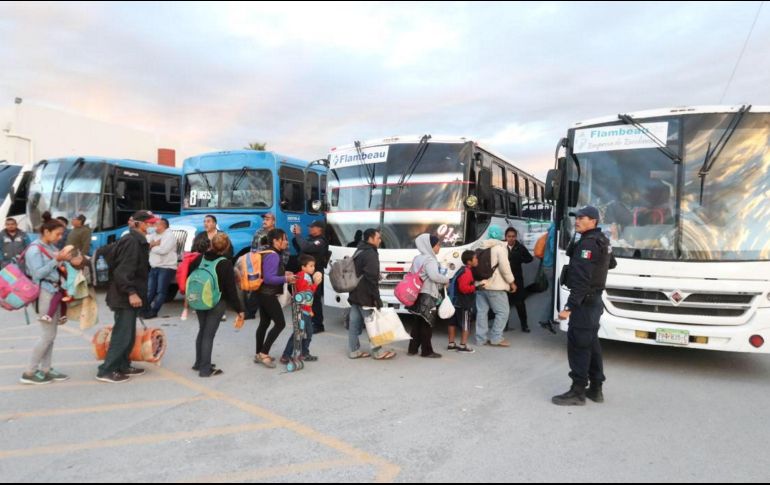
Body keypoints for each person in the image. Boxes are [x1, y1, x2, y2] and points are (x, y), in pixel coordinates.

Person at [552, 206, 617, 406]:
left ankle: (578, 391)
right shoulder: (602, 240)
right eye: (576, 217)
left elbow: (581, 280)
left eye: (582, 218)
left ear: (594, 221)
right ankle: (596, 388)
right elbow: (612, 264)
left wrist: (568, 308)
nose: (577, 221)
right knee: (591, 344)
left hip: (584, 303)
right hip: (594, 301)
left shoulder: (588, 244)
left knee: (579, 345)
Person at [97, 210, 157, 384]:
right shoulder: (131, 242)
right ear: (138, 224)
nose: (151, 226)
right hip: (124, 296)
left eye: (152, 223)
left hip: (128, 294)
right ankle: (106, 370)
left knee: (129, 334)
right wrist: (131, 293)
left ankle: (123, 365)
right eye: (148, 223)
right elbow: (123, 271)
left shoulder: (137, 241)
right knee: (122, 335)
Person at [19, 214, 74, 385]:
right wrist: (56, 260)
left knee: (51, 335)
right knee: (47, 335)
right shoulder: (34, 249)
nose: (59, 238)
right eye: (57, 234)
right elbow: (37, 274)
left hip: (55, 293)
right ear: (46, 231)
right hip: (44, 294)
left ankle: (46, 369)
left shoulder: (48, 246)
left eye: (61, 235)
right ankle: (29, 372)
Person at [188, 233, 244, 377]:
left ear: (211, 244)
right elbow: (231, 290)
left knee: (202, 330)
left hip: (200, 299)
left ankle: (198, 362)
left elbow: (190, 275)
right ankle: (205, 369)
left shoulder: (200, 258)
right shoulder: (225, 263)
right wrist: (239, 309)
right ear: (226, 247)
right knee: (209, 334)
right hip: (216, 302)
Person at [347, 228, 396, 360]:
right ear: (371, 238)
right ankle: (378, 351)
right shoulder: (370, 253)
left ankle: (354, 351)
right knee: (372, 324)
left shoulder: (359, 249)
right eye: (378, 238)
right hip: (365, 295)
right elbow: (372, 278)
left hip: (355, 293)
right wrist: (376, 298)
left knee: (353, 324)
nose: (380, 240)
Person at [254, 229, 296, 369]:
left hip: (262, 293)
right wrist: (286, 278)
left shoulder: (267, 252)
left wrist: (284, 273)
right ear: (275, 241)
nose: (286, 242)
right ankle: (264, 353)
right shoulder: (273, 256)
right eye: (284, 239)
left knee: (264, 323)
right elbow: (269, 278)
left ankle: (258, 353)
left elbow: (270, 272)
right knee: (280, 324)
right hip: (268, 294)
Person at [406, 234, 450, 358]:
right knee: (427, 323)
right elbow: (434, 276)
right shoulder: (430, 259)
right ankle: (427, 351)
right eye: (438, 245)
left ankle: (412, 349)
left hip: (417, 293)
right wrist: (446, 279)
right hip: (427, 294)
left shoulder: (417, 258)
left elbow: (411, 273)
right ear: (430, 246)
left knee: (418, 322)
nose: (439, 247)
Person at [474, 225, 516, 348]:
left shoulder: (479, 246)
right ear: (500, 235)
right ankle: (496, 338)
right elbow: (505, 268)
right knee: (503, 312)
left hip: (480, 285)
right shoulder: (500, 248)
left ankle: (480, 339)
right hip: (495, 286)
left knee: (482, 312)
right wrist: (511, 282)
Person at [280, 254, 323, 364]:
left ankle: (302, 353)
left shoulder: (303, 276)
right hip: (302, 310)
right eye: (311, 266)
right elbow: (307, 295)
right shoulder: (304, 277)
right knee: (301, 332)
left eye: (314, 266)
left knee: (304, 332)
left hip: (303, 309)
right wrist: (316, 284)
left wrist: (309, 309)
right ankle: (288, 355)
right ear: (303, 267)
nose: (313, 268)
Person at [292, 220, 329, 334]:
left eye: (313, 227)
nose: (310, 229)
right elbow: (299, 244)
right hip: (306, 272)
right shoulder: (310, 238)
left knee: (315, 298)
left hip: (315, 273)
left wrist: (299, 235)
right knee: (306, 297)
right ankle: (309, 321)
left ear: (319, 229)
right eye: (310, 226)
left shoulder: (320, 241)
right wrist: (296, 237)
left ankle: (318, 324)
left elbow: (306, 247)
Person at [448, 250, 482, 353]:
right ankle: (463, 346)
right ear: (469, 261)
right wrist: (475, 286)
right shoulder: (467, 272)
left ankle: (451, 344)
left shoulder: (461, 270)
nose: (477, 260)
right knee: (466, 324)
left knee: (452, 323)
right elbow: (464, 288)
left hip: (454, 301)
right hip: (463, 303)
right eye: (475, 258)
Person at [144, 218, 178, 319]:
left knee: (161, 291)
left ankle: (154, 311)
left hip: (166, 267)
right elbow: (146, 242)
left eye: (156, 224)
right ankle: (144, 310)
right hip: (154, 266)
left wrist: (151, 246)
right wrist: (154, 244)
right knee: (150, 290)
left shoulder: (169, 236)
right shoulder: (154, 235)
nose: (153, 226)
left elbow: (163, 250)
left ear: (163, 226)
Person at [505, 227, 533, 333]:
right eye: (509, 236)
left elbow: (529, 259)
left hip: (517, 280)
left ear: (516, 237)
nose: (511, 239)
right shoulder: (502, 247)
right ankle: (504, 325)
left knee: (520, 303)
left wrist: (520, 259)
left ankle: (524, 325)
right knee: (504, 304)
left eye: (513, 236)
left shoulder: (520, 247)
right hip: (504, 280)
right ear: (505, 237)